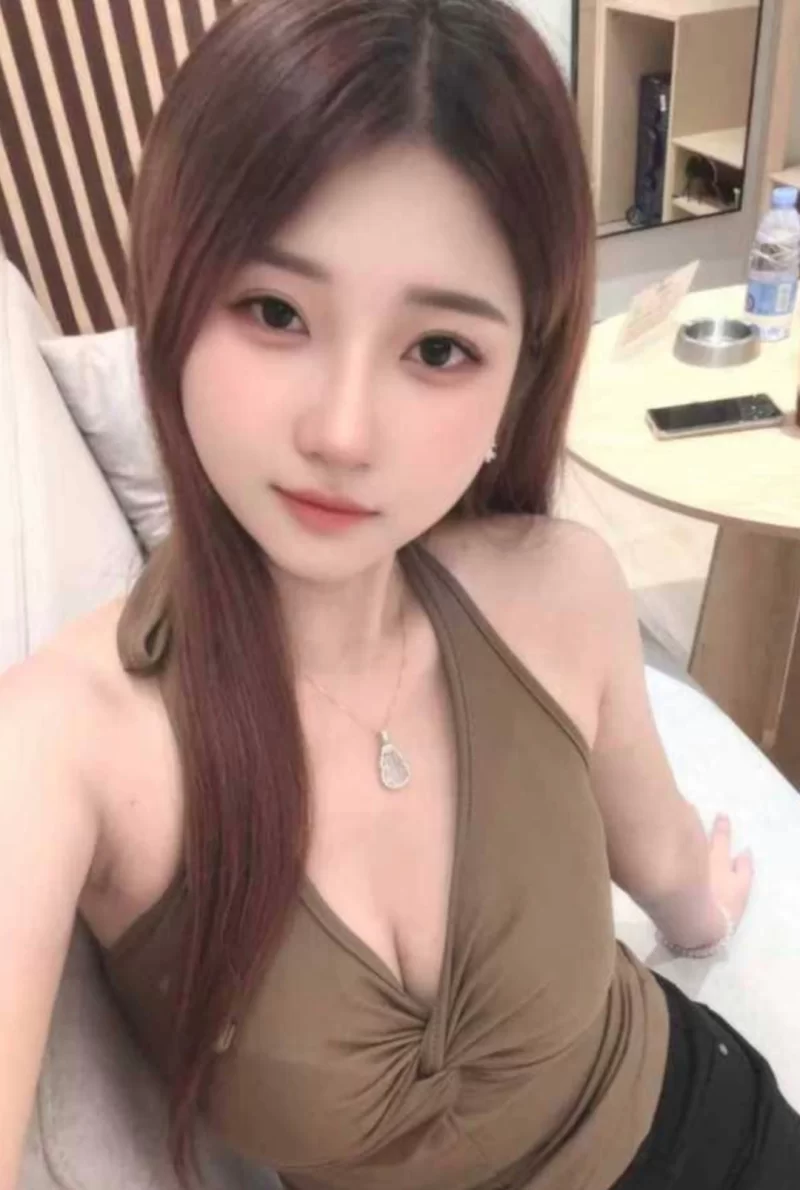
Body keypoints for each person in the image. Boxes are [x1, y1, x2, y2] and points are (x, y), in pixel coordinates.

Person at [1, 1, 798, 1188]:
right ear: (169, 303)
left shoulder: (556, 585)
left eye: (436, 349)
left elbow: (663, 861)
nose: (342, 431)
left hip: (702, 1129)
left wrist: (706, 906)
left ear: (515, 383)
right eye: (274, 311)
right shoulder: (66, 740)